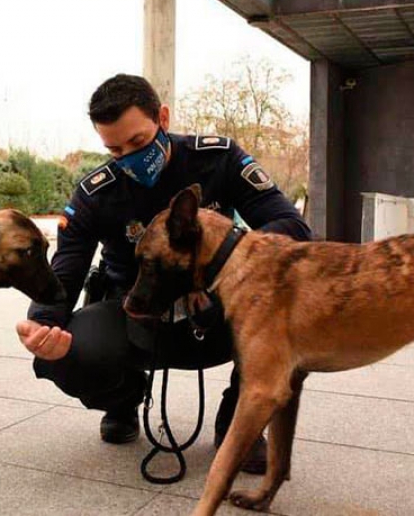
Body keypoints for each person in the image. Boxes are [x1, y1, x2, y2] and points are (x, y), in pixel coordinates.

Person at [16, 74, 312, 474]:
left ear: (164, 118)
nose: (128, 157)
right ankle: (123, 399)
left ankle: (239, 420)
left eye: (137, 143)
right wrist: (43, 324)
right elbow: (66, 271)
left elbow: (290, 227)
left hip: (218, 306)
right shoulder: (96, 193)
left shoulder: (217, 158)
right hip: (135, 307)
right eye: (114, 149)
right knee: (70, 353)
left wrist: (226, 261)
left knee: (291, 309)